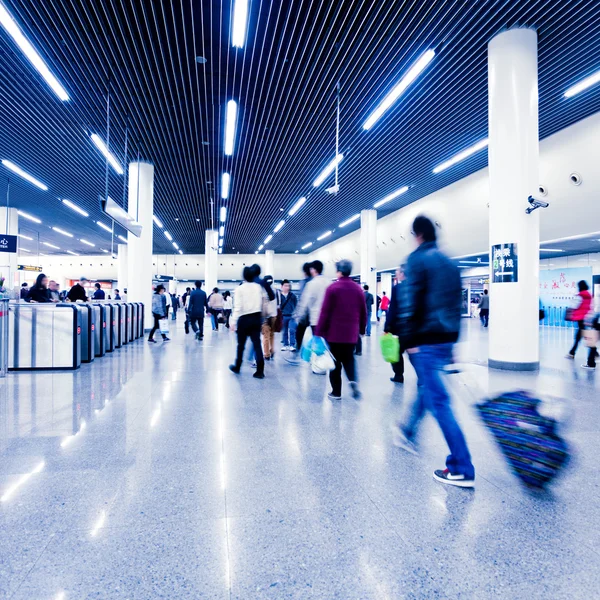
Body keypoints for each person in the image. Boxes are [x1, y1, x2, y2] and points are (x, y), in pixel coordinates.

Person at [392, 215, 475, 488]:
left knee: (439, 401)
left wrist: (409, 338)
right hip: (446, 339)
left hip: (425, 339)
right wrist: (453, 343)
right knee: (428, 389)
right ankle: (407, 430)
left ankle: (461, 467)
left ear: (418, 235)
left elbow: (411, 302)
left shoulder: (416, 259)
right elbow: (456, 306)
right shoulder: (450, 263)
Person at [315, 259, 366, 400]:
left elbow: (325, 312)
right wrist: (361, 329)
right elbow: (363, 311)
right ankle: (353, 382)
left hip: (334, 334)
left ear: (339, 272)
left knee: (335, 364)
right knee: (349, 359)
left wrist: (318, 332)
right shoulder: (357, 289)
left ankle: (336, 392)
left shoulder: (333, 288)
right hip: (351, 334)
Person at [288, 260, 330, 364]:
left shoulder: (311, 284)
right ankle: (325, 362)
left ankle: (318, 363)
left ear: (313, 270)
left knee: (316, 341)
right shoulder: (329, 282)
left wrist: (298, 315)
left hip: (315, 318)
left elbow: (304, 302)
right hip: (328, 318)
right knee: (324, 341)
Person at [229, 266, 266, 378]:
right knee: (257, 344)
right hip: (256, 318)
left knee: (241, 345)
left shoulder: (240, 288)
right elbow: (263, 302)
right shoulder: (258, 287)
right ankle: (260, 370)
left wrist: (233, 322)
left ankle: (237, 366)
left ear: (244, 276)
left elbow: (238, 307)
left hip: (244, 319)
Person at [384, 265, 406, 383]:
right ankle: (422, 378)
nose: (396, 274)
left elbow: (393, 309)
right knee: (415, 353)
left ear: (402, 274)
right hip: (415, 327)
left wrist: (387, 326)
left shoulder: (398, 288)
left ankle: (399, 375)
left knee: (396, 352)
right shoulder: (417, 286)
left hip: (399, 327)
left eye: (397, 272)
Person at [566, 280, 592, 360]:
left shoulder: (580, 295)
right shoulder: (589, 295)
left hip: (580, 318)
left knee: (581, 336)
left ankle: (572, 353)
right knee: (582, 335)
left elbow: (574, 306)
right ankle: (572, 352)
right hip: (586, 318)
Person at [261, 275, 278, 360]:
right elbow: (278, 304)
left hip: (265, 317)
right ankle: (272, 350)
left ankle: (266, 354)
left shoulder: (261, 291)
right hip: (274, 316)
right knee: (272, 335)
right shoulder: (275, 290)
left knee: (266, 336)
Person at [280, 280, 297, 351]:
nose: (287, 287)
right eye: (285, 286)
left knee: (292, 330)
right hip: (283, 315)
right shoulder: (279, 296)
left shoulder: (292, 295)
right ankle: (285, 344)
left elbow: (296, 305)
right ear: (282, 287)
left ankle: (292, 345)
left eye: (288, 286)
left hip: (292, 316)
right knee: (285, 331)